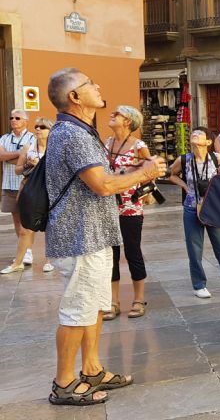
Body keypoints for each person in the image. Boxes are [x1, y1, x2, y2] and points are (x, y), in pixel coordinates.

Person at [45, 68, 166, 404]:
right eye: (89, 84)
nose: (98, 86)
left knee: (95, 306)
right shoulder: (72, 134)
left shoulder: (82, 131)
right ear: (74, 97)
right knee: (77, 311)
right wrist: (144, 172)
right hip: (79, 237)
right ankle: (64, 383)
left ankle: (92, 368)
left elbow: (104, 179)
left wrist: (133, 175)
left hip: (94, 235)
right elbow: (102, 184)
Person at [168, 127, 220, 299]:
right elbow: (171, 175)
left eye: (199, 134)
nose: (194, 135)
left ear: (208, 142)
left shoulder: (216, 158)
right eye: (193, 134)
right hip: (191, 206)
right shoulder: (183, 160)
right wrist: (184, 186)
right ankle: (199, 285)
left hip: (213, 207)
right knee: (194, 249)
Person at [102, 106, 152, 320]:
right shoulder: (106, 143)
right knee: (111, 255)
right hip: (107, 206)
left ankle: (139, 299)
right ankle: (113, 302)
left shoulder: (138, 146)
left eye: (117, 114)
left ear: (128, 122)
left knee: (132, 251)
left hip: (130, 206)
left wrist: (133, 182)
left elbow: (150, 173)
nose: (112, 115)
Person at [8, 117, 55, 273]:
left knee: (51, 227)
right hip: (31, 190)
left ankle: (50, 260)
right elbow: (18, 170)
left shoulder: (55, 148)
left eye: (42, 127)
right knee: (25, 228)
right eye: (36, 127)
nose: (38, 129)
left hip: (50, 190)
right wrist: (28, 164)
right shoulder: (29, 147)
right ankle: (18, 262)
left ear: (50, 130)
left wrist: (39, 164)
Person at [0, 109, 35, 274]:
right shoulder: (4, 138)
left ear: (25, 121)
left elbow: (31, 159)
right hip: (9, 184)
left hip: (26, 184)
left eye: (17, 118)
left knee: (27, 221)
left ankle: (28, 251)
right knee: (15, 219)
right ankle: (24, 251)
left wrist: (11, 157)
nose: (13, 120)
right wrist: (21, 154)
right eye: (11, 117)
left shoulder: (32, 138)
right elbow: (1, 157)